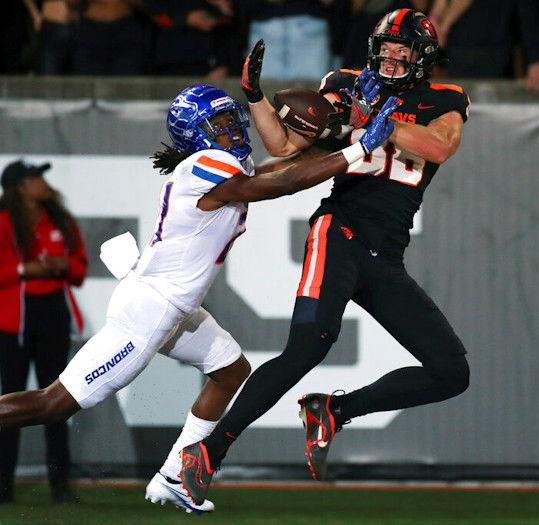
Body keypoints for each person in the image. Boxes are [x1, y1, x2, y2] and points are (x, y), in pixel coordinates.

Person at [0, 83, 398, 513]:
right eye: (217, 122)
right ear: (195, 133)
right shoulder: (205, 164)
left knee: (230, 369)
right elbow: (281, 185)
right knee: (54, 403)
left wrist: (351, 133)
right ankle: (175, 475)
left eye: (230, 118)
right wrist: (358, 150)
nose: (229, 127)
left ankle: (174, 476)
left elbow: (279, 171)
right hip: (152, 309)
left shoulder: (225, 162)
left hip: (174, 307)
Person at [180, 8, 471, 505]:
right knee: (308, 346)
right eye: (386, 46)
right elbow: (286, 143)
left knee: (450, 371)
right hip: (339, 231)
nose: (392, 56)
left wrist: (380, 121)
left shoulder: (445, 99)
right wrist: (255, 97)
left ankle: (334, 411)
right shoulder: (347, 83)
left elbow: (440, 145)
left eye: (404, 49)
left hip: (386, 253)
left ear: (422, 57)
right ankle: (209, 451)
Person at [0, 160, 87, 503]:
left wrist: (65, 264)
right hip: (14, 322)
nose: (44, 184)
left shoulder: (61, 220)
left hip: (53, 314)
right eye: (36, 178)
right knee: (11, 400)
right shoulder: (4, 222)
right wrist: (26, 268)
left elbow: (79, 268)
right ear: (20, 186)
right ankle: (3, 485)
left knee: (58, 401)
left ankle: (60, 486)